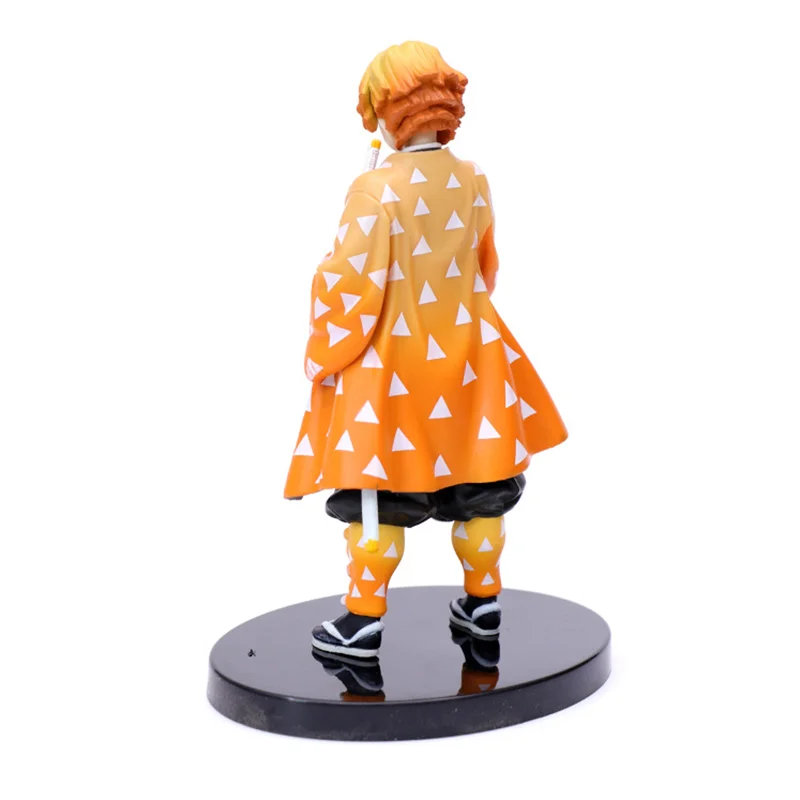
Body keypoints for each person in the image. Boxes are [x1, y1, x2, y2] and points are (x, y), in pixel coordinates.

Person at [284, 41, 568, 657]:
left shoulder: (373, 191)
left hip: (395, 365)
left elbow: (351, 285)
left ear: (386, 110)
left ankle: (363, 618)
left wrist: (322, 331)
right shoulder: (473, 179)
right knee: (481, 478)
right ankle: (483, 601)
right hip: (473, 356)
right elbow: (486, 269)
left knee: (379, 494)